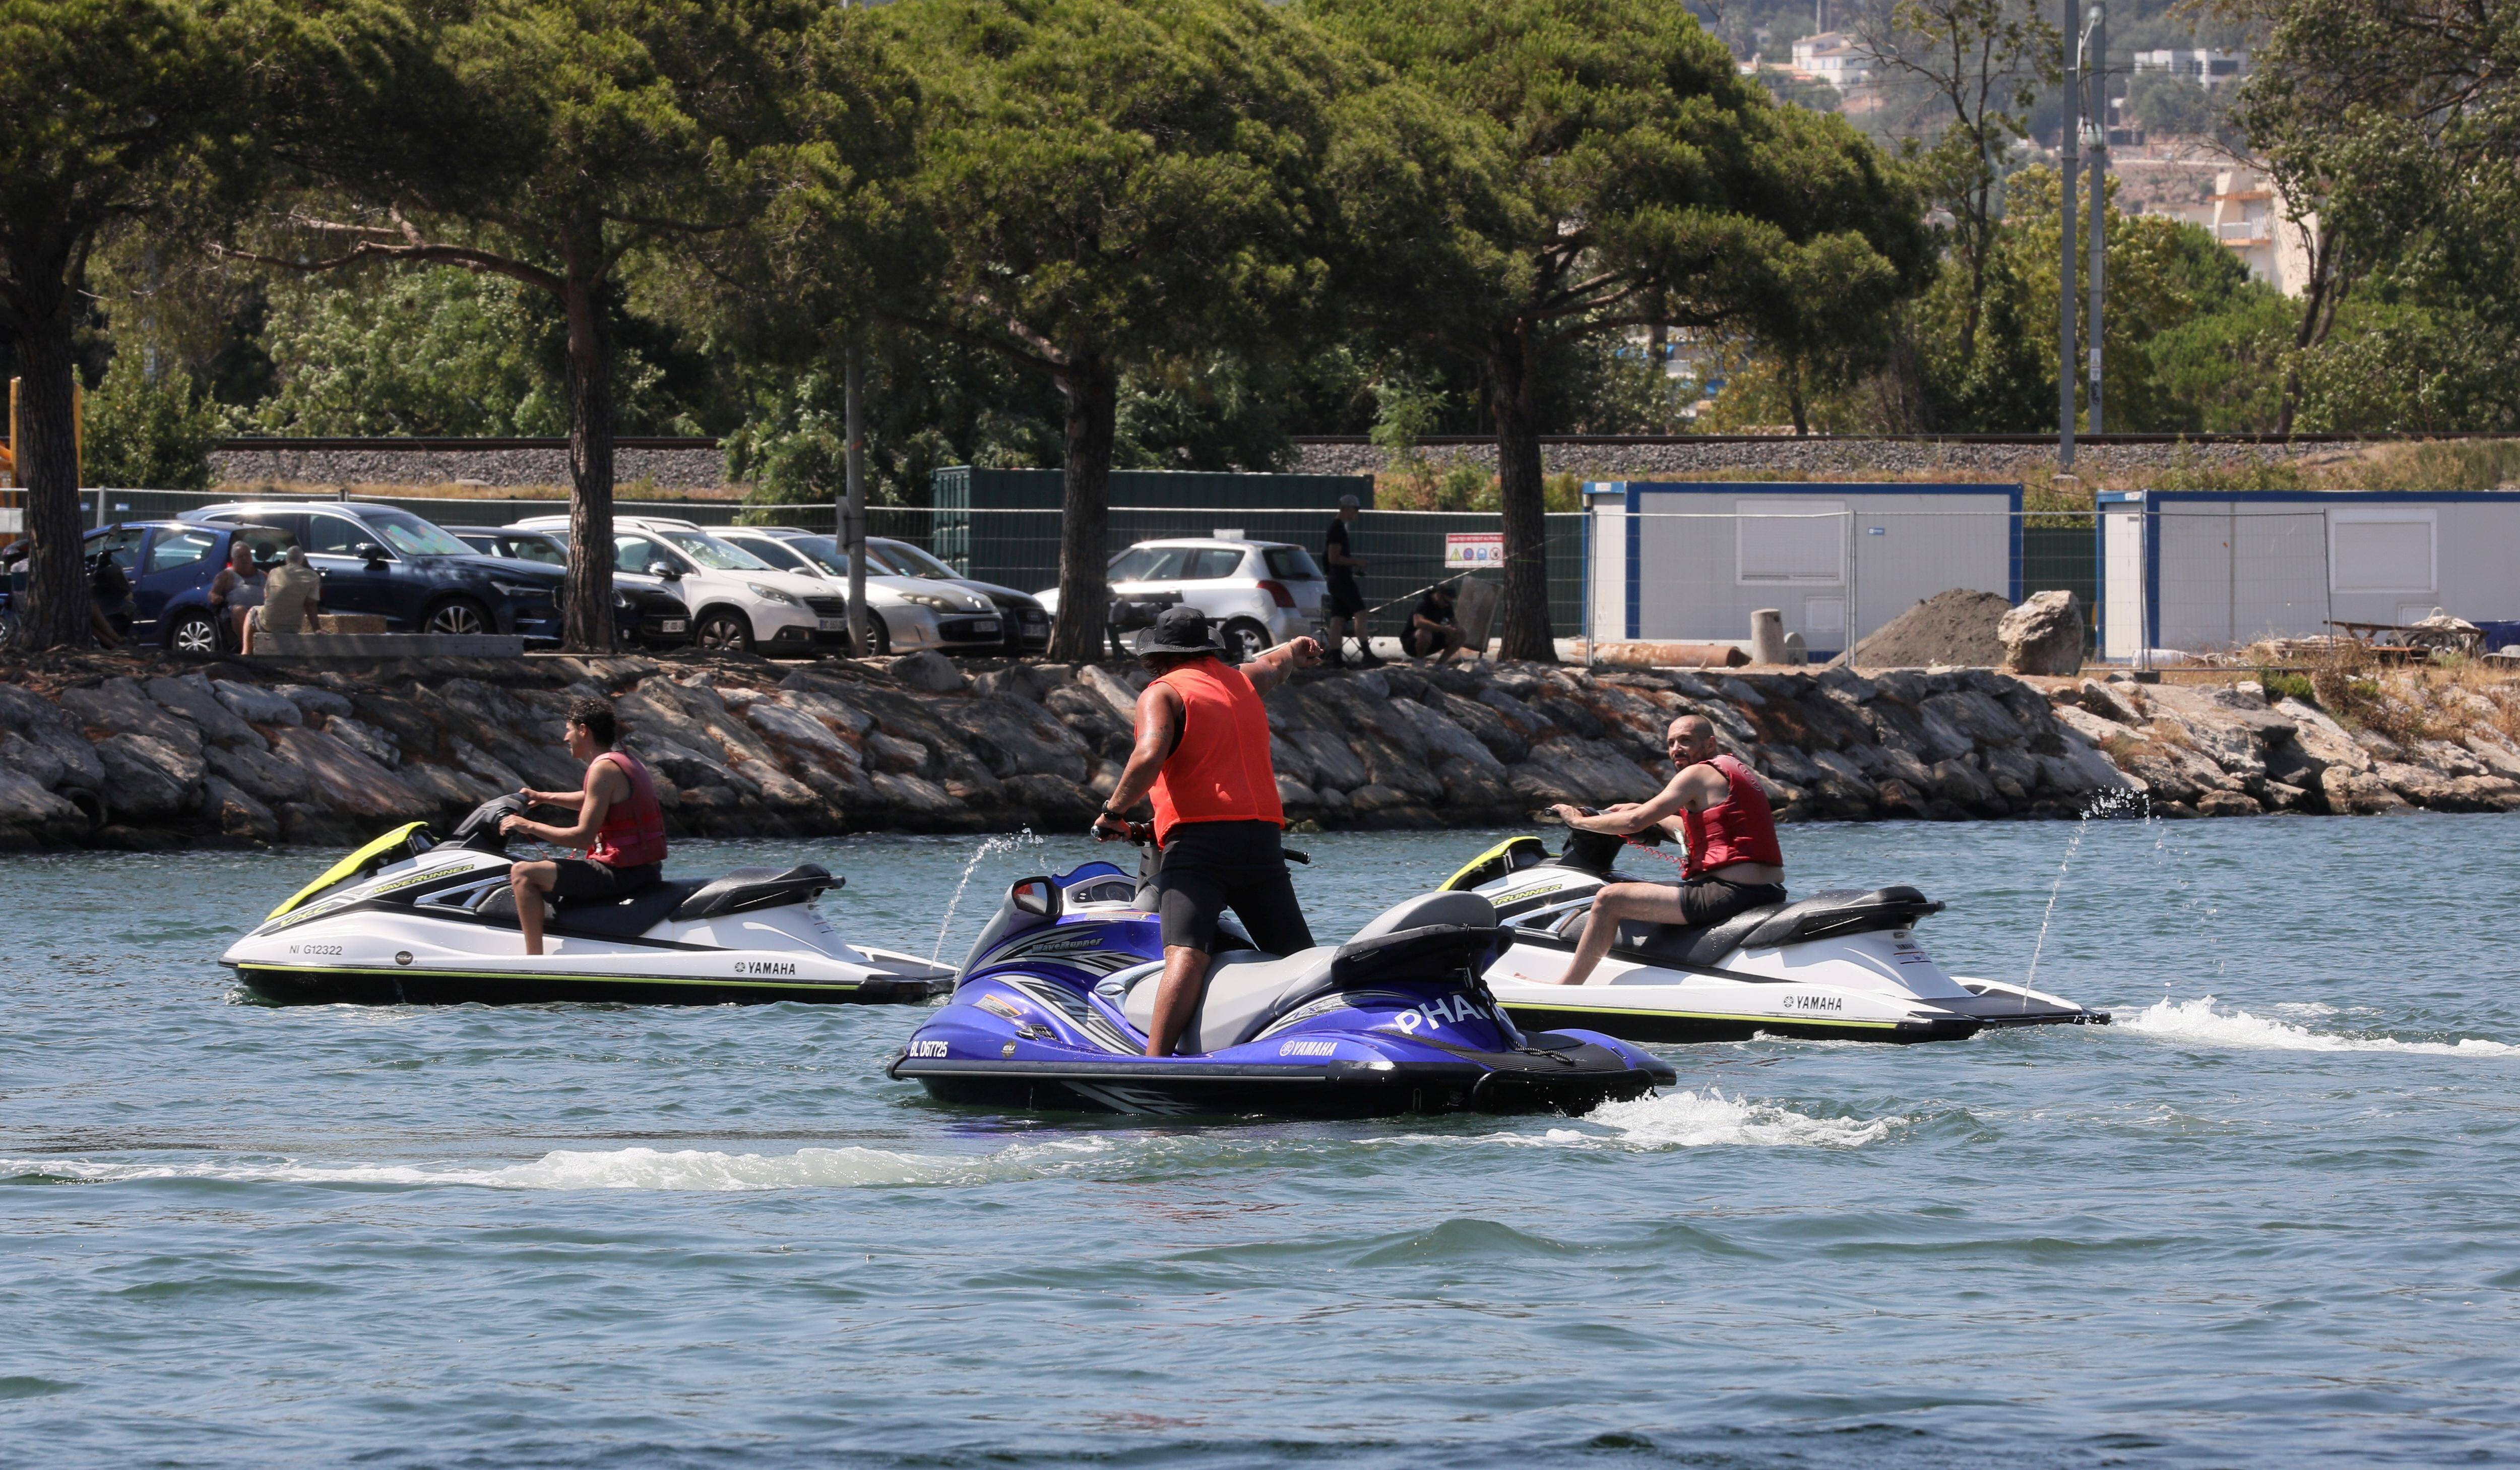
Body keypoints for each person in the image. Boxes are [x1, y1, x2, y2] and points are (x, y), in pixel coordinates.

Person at [1093, 604, 1322, 1056]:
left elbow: (1148, 756)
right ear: (1207, 648)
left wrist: (1112, 812)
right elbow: (1273, 666)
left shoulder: (1163, 694)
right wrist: (1296, 650)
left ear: (1155, 655)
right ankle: (1317, 1045)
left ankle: (1154, 1068)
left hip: (1200, 847)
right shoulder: (1241, 682)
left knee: (1186, 954)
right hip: (1261, 842)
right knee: (1298, 957)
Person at [1537, 714, 1788, 987]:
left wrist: (1578, 821)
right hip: (1765, 890)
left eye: (1685, 741)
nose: (1676, 749)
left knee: (1609, 899)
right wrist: (1642, 810)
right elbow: (1695, 832)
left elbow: (1634, 823)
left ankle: (1567, 986)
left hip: (1727, 892)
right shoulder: (1732, 771)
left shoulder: (1697, 773)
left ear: (1709, 744)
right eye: (1671, 743)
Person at [499, 697, 669, 957]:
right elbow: (594, 798)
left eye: (568, 730)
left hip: (620, 875)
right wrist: (544, 797)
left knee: (523, 873)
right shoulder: (623, 760)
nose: (565, 738)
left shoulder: (603, 769)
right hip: (643, 870)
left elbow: (582, 838)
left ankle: (533, 961)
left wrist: (528, 826)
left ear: (583, 730)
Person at [1321, 494, 1376, 667]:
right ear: (1347, 509)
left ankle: (1337, 660)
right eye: (1356, 509)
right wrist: (1356, 562)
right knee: (1361, 613)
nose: (1357, 513)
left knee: (1337, 620)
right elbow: (1334, 558)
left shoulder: (1337, 528)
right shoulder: (1337, 529)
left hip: (1335, 580)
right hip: (1342, 580)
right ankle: (1367, 654)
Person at [245, 546, 322, 654]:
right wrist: (317, 629)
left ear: (286, 559)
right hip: (293, 627)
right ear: (302, 560)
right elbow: (310, 604)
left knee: (252, 612)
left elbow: (267, 596)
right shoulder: (314, 577)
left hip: (269, 624)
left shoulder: (275, 572)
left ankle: (245, 651)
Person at [208, 542, 265, 651]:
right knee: (240, 611)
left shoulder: (263, 575)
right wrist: (215, 597)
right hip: (238, 613)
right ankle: (249, 649)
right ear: (233, 559)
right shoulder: (225, 576)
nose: (245, 559)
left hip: (261, 612)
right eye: (240, 556)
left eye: (247, 555)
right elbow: (212, 594)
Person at [1404, 583, 1469, 662]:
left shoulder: (1446, 605)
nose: (1447, 605)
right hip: (1412, 644)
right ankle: (1419, 662)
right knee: (1425, 633)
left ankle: (1440, 664)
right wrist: (1442, 629)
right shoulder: (1423, 602)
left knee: (1462, 633)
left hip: (1433, 642)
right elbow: (1418, 623)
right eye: (1446, 602)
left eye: (1449, 603)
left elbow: (1453, 620)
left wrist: (1454, 627)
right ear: (1438, 595)